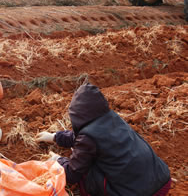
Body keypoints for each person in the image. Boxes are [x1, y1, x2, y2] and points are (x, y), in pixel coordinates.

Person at [36, 83, 171, 196]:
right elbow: (82, 136)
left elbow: (73, 174)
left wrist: (58, 161)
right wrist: (55, 137)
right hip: (162, 182)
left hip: (136, 193)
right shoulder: (112, 119)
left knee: (88, 172)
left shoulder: (87, 138)